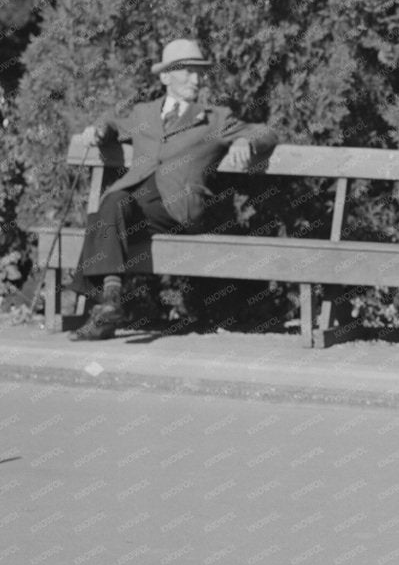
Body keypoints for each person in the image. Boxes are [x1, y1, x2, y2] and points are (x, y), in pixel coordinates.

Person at [66, 38, 278, 341]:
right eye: (188, 72)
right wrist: (98, 131)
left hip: (176, 206)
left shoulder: (214, 117)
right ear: (165, 76)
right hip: (137, 203)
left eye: (200, 73)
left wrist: (246, 141)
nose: (197, 79)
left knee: (104, 213)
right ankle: (110, 301)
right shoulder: (143, 113)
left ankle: (107, 304)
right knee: (110, 205)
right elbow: (112, 122)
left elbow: (265, 131)